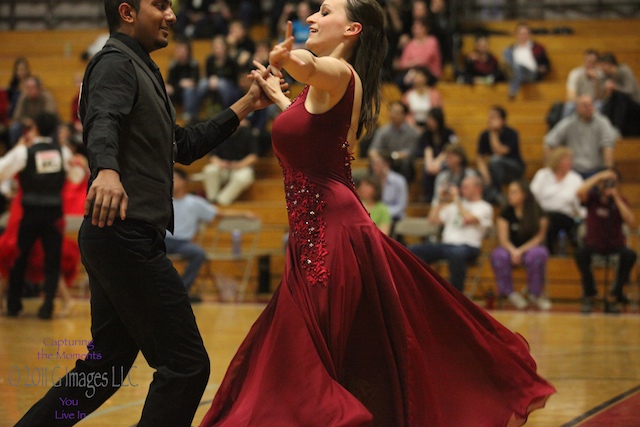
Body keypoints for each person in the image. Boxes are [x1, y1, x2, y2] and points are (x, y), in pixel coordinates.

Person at [202, 3, 553, 426]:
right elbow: (310, 138)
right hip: (318, 236)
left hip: (331, 238)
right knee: (330, 351)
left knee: (300, 354)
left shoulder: (339, 74)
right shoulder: (321, 92)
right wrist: (278, 95)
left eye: (324, 10)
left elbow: (310, 67)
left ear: (352, 28)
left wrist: (286, 59)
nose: (312, 16)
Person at [12, 0, 280, 425]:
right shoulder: (115, 63)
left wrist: (247, 104)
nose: (172, 14)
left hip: (118, 235)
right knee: (186, 364)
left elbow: (184, 146)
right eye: (161, 5)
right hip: (125, 234)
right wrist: (105, 169)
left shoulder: (140, 69)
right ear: (128, 12)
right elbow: (102, 119)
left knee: (104, 371)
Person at [0, 112, 72, 319]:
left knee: (19, 257)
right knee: (52, 260)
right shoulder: (63, 152)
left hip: (29, 212)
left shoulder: (25, 151)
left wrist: (17, 149)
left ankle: (14, 304)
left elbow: (2, 171)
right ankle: (47, 306)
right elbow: (76, 175)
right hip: (54, 213)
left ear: (36, 128)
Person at [167, 168, 255, 302]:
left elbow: (219, 214)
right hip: (162, 240)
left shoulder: (195, 203)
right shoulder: (163, 200)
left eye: (175, 179)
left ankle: (181, 291)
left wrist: (243, 214)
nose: (171, 182)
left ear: (184, 182)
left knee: (198, 253)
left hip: (182, 243)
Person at [409, 175, 494, 292]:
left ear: (478, 189)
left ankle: (455, 295)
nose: (462, 190)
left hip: (469, 246)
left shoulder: (484, 207)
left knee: (456, 254)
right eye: (462, 187)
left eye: (466, 187)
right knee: (413, 251)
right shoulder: (453, 205)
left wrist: (457, 199)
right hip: (447, 245)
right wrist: (440, 200)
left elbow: (468, 219)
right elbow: (432, 221)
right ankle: (423, 290)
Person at [576, 169, 637, 314]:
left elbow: (630, 221)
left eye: (611, 182)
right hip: (594, 244)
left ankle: (614, 295)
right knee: (581, 253)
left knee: (630, 255)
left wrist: (616, 198)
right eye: (605, 182)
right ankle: (590, 293)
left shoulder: (620, 201)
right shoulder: (592, 199)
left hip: (615, 245)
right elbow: (579, 193)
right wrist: (599, 177)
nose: (608, 185)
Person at [491, 180, 551, 311]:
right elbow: (503, 239)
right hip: (510, 249)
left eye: (514, 192)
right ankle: (510, 293)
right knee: (498, 255)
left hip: (530, 248)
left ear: (524, 195)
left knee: (537, 254)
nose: (510, 195)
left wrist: (520, 251)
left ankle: (535, 293)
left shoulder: (538, 212)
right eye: (509, 192)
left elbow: (539, 237)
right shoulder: (505, 213)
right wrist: (513, 251)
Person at [544, 94, 618, 179]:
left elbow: (607, 146)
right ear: (577, 108)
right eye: (584, 105)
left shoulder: (602, 123)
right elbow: (549, 142)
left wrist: (608, 170)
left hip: (596, 170)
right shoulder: (568, 124)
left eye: (590, 105)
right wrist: (550, 168)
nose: (588, 108)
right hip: (572, 172)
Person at [530, 147, 584, 255]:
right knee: (547, 219)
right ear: (557, 160)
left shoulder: (576, 178)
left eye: (570, 160)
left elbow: (579, 202)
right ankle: (548, 251)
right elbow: (532, 195)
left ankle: (550, 251)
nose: (569, 162)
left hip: (567, 216)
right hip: (542, 214)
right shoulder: (542, 175)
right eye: (566, 159)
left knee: (553, 219)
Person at [200, 118, 259, 205]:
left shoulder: (248, 133)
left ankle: (222, 201)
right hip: (223, 167)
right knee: (210, 170)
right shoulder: (219, 134)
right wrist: (220, 163)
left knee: (242, 177)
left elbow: (254, 156)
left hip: (241, 167)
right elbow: (212, 156)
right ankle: (212, 199)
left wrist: (239, 165)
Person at [476, 105, 525, 205]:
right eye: (489, 117)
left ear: (502, 120)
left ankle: (496, 193)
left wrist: (494, 133)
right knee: (475, 174)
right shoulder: (484, 135)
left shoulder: (511, 133)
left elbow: (500, 152)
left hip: (514, 168)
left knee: (495, 160)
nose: (490, 120)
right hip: (495, 170)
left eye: (493, 117)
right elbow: (480, 157)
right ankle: (493, 196)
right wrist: (485, 174)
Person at [368, 101, 419, 183]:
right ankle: (376, 191)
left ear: (404, 115)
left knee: (406, 164)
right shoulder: (383, 131)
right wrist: (377, 159)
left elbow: (410, 152)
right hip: (385, 161)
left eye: (396, 112)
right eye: (391, 111)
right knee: (373, 164)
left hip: (401, 162)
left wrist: (393, 157)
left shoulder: (412, 132)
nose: (392, 114)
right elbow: (373, 150)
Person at [418, 106, 457, 202]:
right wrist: (430, 164)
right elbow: (427, 150)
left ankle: (442, 195)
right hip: (431, 161)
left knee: (444, 168)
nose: (429, 122)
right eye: (429, 119)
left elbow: (449, 149)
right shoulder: (426, 134)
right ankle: (428, 195)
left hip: (445, 160)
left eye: (432, 119)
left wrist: (437, 163)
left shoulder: (449, 133)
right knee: (426, 169)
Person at [503, 22, 550, 99]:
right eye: (520, 33)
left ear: (530, 35)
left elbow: (546, 63)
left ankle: (513, 90)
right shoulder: (510, 50)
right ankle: (515, 81)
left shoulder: (537, 48)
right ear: (516, 35)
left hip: (531, 73)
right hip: (514, 73)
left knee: (518, 67)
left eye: (525, 33)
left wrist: (543, 68)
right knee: (511, 61)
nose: (522, 36)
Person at [8, 76, 58, 147]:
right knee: (15, 128)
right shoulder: (23, 97)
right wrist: (25, 121)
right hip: (28, 125)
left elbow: (50, 114)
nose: (29, 90)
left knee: (54, 128)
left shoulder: (46, 97)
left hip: (43, 125)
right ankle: (16, 149)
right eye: (27, 88)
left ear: (38, 88)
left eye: (32, 88)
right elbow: (17, 115)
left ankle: (50, 148)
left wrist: (37, 124)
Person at [598, 51, 640, 136]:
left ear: (609, 64)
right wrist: (607, 90)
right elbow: (601, 97)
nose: (601, 69)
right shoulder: (606, 76)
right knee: (607, 103)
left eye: (603, 66)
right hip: (617, 103)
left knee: (619, 96)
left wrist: (615, 87)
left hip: (633, 102)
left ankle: (618, 128)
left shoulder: (624, 70)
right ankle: (605, 129)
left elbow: (629, 91)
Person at [165, 36, 201, 123]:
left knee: (189, 90)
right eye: (178, 50)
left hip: (191, 94)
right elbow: (170, 83)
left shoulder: (193, 64)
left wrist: (178, 85)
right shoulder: (173, 65)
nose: (180, 53)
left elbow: (194, 82)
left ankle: (189, 115)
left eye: (182, 50)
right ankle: (167, 116)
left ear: (188, 51)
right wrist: (180, 84)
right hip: (177, 91)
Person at [369, 150, 408, 225]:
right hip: (374, 216)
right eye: (373, 164)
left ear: (386, 164)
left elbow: (401, 207)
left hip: (394, 218)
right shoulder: (371, 181)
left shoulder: (399, 181)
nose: (374, 167)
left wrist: (382, 213)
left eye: (377, 164)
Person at [563, 49, 604, 117]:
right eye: (588, 62)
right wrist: (583, 102)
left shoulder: (600, 75)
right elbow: (570, 96)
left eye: (593, 62)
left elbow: (601, 97)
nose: (590, 65)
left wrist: (596, 81)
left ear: (597, 63)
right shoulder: (575, 74)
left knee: (599, 105)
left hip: (593, 102)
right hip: (578, 101)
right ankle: (565, 127)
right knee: (569, 106)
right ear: (584, 61)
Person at [401, 66, 442, 130]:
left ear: (426, 78)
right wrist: (413, 127)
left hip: (430, 127)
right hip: (412, 127)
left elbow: (437, 112)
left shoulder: (435, 95)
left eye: (420, 75)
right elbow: (405, 113)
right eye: (416, 76)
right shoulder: (408, 95)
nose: (417, 78)